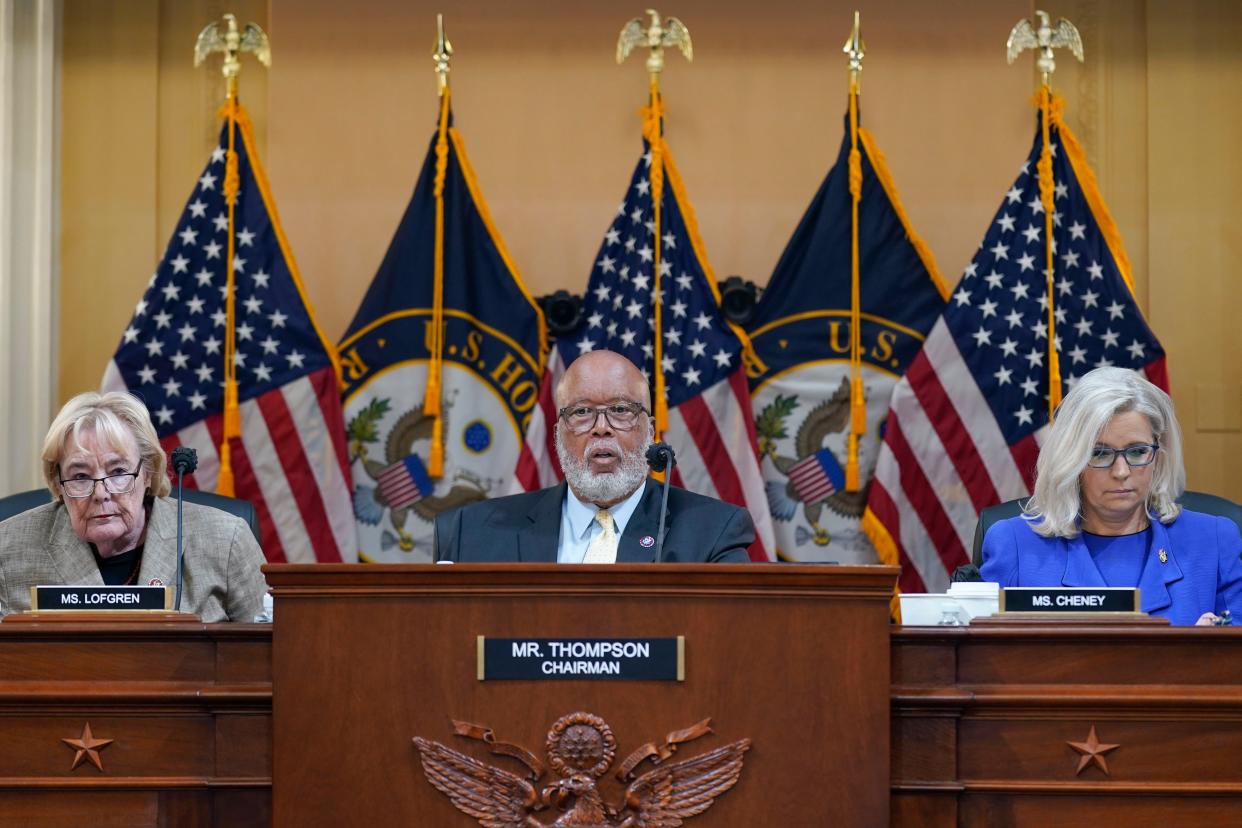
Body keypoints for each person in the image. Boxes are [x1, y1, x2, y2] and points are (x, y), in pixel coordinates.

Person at [434, 350, 754, 563]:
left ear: (651, 431)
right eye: (582, 412)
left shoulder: (713, 533)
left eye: (620, 410)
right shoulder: (472, 533)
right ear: (558, 432)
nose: (602, 428)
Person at [980, 367, 1242, 625]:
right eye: (1100, 453)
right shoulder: (1014, 545)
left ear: (1159, 456)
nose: (1121, 471)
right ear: (1072, 460)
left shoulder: (1213, 542)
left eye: (1137, 452)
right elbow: (982, 659)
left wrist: (1210, 652)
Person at [0, 391, 267, 621]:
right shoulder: (8, 548)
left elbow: (276, 648)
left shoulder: (224, 540)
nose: (101, 493)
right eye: (80, 476)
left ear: (148, 472)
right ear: (58, 483)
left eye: (117, 472)